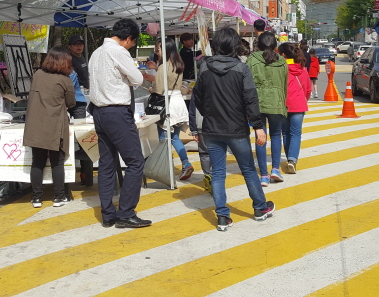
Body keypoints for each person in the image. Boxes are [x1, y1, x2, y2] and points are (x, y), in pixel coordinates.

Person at [192, 27, 275, 231]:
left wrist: (209, 114)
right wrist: (258, 127)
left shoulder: (204, 67)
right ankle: (260, 207)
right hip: (236, 128)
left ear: (216, 44)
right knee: (248, 169)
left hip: (211, 129)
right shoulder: (241, 68)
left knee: (218, 172)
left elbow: (198, 98)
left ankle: (222, 217)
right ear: (235, 45)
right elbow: (250, 99)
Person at [89, 18, 154, 228]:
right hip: (116, 112)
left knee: (107, 164)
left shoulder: (96, 53)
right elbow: (137, 79)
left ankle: (108, 213)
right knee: (135, 161)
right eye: (133, 43)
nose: (131, 46)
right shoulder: (118, 51)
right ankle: (126, 212)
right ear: (127, 39)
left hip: (98, 112)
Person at [24, 47, 77, 208]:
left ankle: (36, 198)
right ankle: (59, 196)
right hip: (55, 125)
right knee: (57, 162)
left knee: (37, 162)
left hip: (35, 124)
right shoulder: (65, 80)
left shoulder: (37, 75)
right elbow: (71, 103)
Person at [246, 32, 288, 186]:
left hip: (257, 103)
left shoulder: (251, 60)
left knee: (260, 137)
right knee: (276, 135)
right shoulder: (282, 62)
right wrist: (283, 103)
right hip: (277, 101)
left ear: (258, 44)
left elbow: (247, 84)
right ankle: (275, 169)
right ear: (275, 45)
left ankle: (264, 174)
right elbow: (285, 84)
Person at [148, 38, 192, 180]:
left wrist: (151, 88)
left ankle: (166, 168)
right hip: (178, 102)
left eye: (159, 48)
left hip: (167, 105)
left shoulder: (163, 66)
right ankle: (186, 163)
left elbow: (159, 89)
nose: (157, 51)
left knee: (164, 138)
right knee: (174, 137)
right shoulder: (177, 63)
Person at [279, 43, 312, 174]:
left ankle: (289, 159)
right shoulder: (303, 69)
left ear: (283, 55)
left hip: (284, 104)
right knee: (296, 133)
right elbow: (308, 89)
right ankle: (292, 160)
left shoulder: (281, 69)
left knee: (286, 133)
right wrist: (303, 99)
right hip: (299, 105)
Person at [67, 35, 89, 118]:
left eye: (80, 44)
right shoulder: (69, 59)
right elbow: (71, 78)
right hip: (76, 95)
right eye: (75, 44)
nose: (79, 46)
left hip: (85, 93)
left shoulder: (82, 57)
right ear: (70, 47)